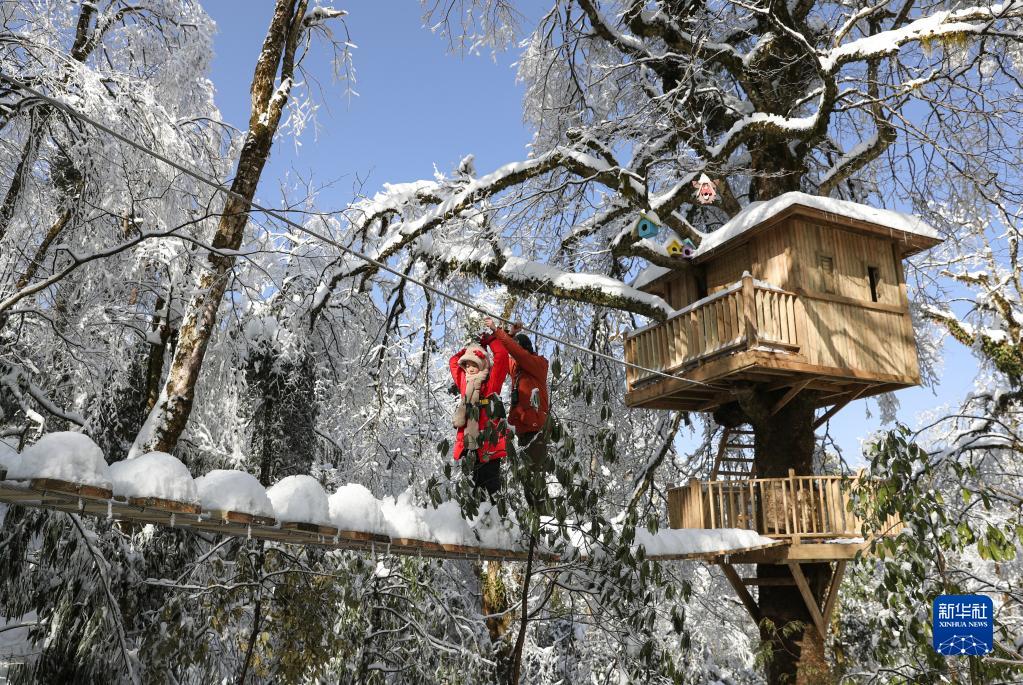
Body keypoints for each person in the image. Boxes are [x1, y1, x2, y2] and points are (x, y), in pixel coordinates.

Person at [483, 317, 550, 511]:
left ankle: (541, 518)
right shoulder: (519, 369)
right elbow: (506, 353)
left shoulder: (537, 364)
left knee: (535, 477)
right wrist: (510, 333)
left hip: (535, 430)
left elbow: (516, 352)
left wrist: (498, 330)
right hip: (523, 429)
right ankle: (534, 516)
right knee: (526, 479)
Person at [449, 335, 509, 499]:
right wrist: (469, 347)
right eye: (467, 364)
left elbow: (502, 357)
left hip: (489, 444)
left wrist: (489, 341)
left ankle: (494, 521)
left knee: (491, 490)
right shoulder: (464, 381)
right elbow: (453, 362)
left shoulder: (491, 382)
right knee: (472, 490)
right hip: (469, 445)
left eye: (473, 363)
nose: (469, 367)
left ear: (482, 363)